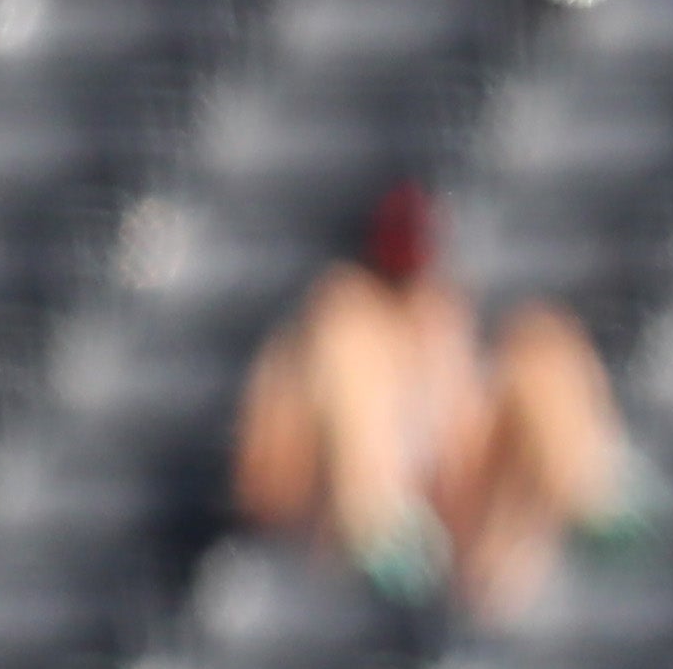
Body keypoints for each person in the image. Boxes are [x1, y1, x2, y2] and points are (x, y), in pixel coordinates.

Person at [236, 186, 639, 625]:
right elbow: (264, 480)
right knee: (350, 337)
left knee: (542, 343)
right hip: (337, 532)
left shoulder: (446, 316)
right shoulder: (334, 321)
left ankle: (595, 494)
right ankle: (381, 529)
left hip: (472, 544)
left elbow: (461, 445)